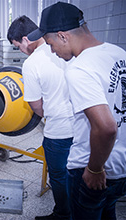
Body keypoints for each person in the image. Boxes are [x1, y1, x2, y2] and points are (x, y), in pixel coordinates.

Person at [27, 2, 126, 219]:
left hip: (93, 169)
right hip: (121, 167)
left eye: (51, 43)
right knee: (109, 212)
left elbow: (106, 128)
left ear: (63, 36)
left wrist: (94, 169)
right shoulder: (118, 53)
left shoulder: (79, 68)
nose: (51, 50)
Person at [7, 15, 74, 220]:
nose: (21, 50)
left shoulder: (32, 63)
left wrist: (51, 113)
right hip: (84, 125)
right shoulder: (71, 48)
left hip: (59, 131)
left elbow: (35, 105)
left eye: (18, 46)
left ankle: (63, 214)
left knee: (59, 175)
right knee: (76, 172)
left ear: (26, 39)